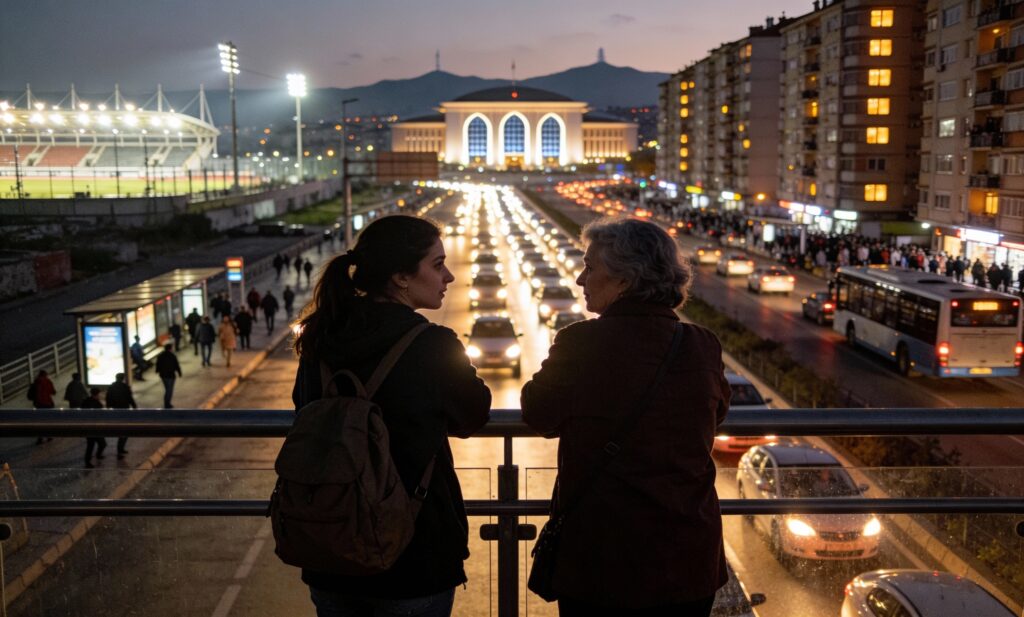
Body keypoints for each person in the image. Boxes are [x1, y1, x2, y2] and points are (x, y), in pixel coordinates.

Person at [521, 217, 729, 617]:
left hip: (603, 560)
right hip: (688, 558)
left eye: (589, 267)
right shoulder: (702, 344)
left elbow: (538, 414)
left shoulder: (580, 342)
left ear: (623, 280)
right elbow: (714, 416)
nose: (581, 279)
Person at [291, 215, 491, 617]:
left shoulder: (322, 335)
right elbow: (474, 415)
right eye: (437, 265)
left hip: (330, 546)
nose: (448, 276)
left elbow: (304, 405)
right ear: (401, 277)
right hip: (413, 552)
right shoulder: (433, 344)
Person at [106, 372, 137, 459]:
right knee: (124, 431)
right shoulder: (125, 387)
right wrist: (134, 407)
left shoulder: (111, 387)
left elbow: (108, 398)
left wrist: (108, 408)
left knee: (122, 431)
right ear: (122, 379)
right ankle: (120, 450)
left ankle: (121, 449)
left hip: (116, 411)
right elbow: (130, 398)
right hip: (124, 411)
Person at [29, 369, 57, 444]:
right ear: (45, 375)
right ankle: (49, 436)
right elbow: (53, 392)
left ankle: (40, 438)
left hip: (39, 404)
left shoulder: (36, 382)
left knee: (40, 421)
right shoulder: (48, 381)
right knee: (48, 420)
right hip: (48, 403)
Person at [82, 387, 107, 468]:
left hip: (89, 426)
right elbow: (100, 413)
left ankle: (92, 458)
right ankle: (88, 461)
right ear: (97, 394)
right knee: (97, 444)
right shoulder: (95, 403)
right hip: (94, 427)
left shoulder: (86, 401)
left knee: (92, 444)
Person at [155, 343, 182, 409]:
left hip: (163, 375)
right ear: (170, 348)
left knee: (167, 389)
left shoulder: (160, 356)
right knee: (169, 390)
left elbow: (158, 364)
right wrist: (179, 372)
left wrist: (157, 370)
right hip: (170, 375)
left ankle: (167, 402)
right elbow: (176, 365)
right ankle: (167, 403)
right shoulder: (172, 356)